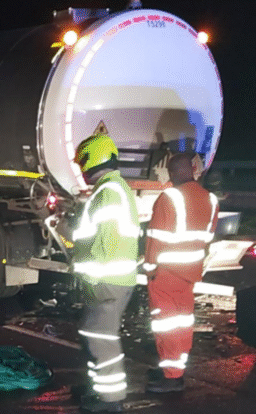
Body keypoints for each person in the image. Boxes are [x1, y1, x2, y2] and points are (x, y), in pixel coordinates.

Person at [72, 133, 140, 412]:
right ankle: (99, 391)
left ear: (93, 158)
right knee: (95, 336)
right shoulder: (114, 188)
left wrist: (91, 275)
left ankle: (111, 402)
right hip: (112, 280)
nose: (81, 170)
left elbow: (105, 241)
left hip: (106, 281)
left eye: (82, 163)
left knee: (102, 342)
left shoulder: (109, 192)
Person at [143, 152, 219, 392]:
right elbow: (207, 237)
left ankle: (172, 377)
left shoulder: (170, 197)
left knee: (166, 325)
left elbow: (155, 237)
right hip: (190, 272)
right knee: (181, 323)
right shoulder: (211, 199)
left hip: (166, 272)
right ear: (193, 170)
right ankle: (172, 369)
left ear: (173, 172)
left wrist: (149, 268)